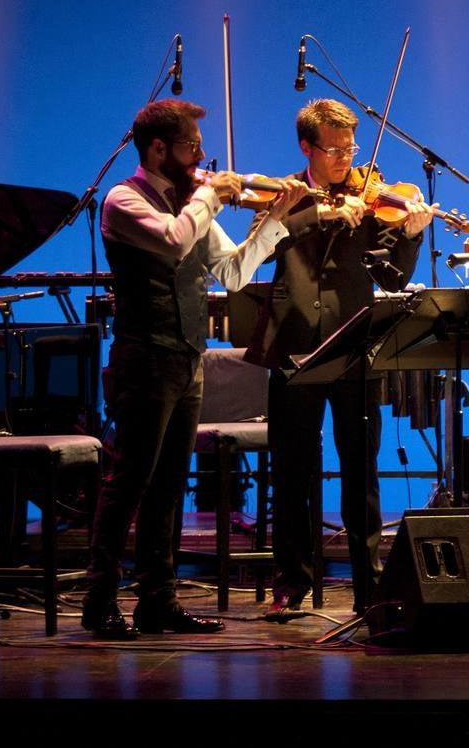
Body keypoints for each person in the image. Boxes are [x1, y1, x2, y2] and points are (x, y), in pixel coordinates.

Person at [83, 99, 308, 639]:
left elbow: (232, 273)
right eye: (190, 145)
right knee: (128, 484)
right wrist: (210, 193)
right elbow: (172, 241)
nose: (202, 156)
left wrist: (275, 219)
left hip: (186, 360)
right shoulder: (123, 201)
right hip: (144, 359)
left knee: (167, 486)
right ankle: (98, 602)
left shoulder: (191, 203)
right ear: (158, 148)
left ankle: (157, 601)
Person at [247, 98, 433, 614]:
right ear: (306, 147)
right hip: (294, 343)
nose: (347, 158)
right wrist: (325, 212)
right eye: (335, 149)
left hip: (356, 344)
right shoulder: (282, 196)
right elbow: (262, 247)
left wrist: (412, 237)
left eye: (352, 147)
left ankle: (369, 586)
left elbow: (391, 274)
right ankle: (291, 581)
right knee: (291, 470)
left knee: (361, 469)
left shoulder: (370, 196)